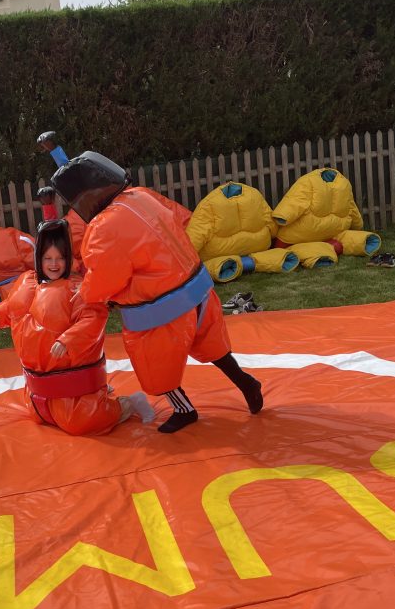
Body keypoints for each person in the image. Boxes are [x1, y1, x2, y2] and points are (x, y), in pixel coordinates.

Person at [52, 152, 263, 433]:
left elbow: (107, 277)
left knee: (157, 369)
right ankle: (245, 381)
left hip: (163, 311)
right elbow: (178, 223)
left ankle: (184, 409)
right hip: (199, 293)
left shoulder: (103, 229)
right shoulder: (143, 196)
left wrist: (87, 293)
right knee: (212, 346)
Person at [0, 219, 153, 435]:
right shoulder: (26, 281)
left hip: (71, 382)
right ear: (38, 259)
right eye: (48, 258)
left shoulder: (76, 289)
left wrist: (68, 340)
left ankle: (128, 404)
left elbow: (93, 317)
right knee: (39, 416)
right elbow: (15, 308)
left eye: (60, 258)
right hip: (38, 387)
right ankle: (93, 396)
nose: (54, 264)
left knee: (83, 421)